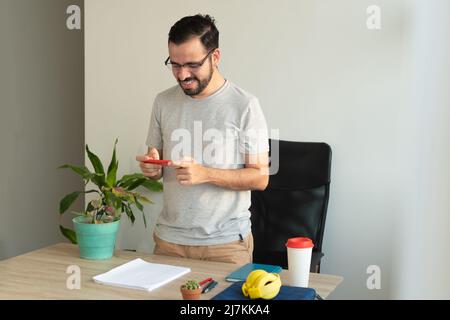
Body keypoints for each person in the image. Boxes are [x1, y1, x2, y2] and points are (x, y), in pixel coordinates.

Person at [136, 14, 269, 264]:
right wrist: (151, 167)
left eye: (192, 65)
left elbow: (260, 177)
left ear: (215, 57)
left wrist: (205, 174)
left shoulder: (244, 106)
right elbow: (155, 167)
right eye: (174, 64)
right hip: (169, 241)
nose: (182, 74)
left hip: (226, 245)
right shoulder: (163, 102)